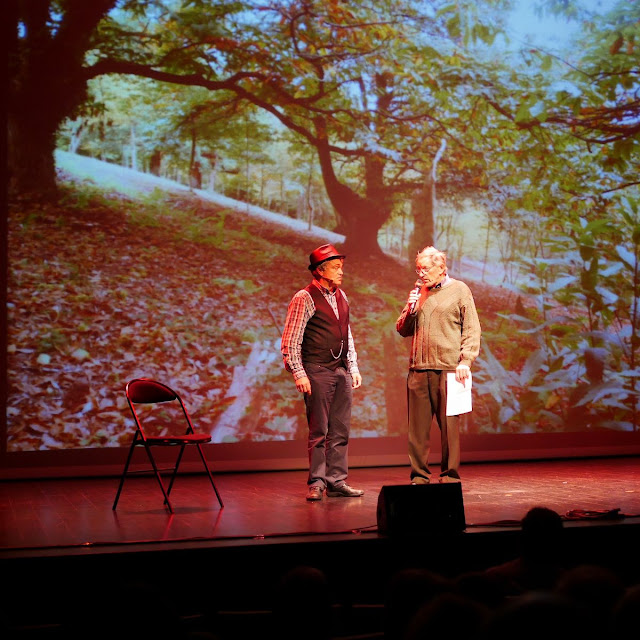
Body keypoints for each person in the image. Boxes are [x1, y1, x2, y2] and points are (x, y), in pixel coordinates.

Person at [281, 244, 364, 501]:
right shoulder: (304, 298)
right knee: (319, 431)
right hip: (316, 370)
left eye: (341, 267)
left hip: (340, 372)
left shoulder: (342, 296)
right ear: (320, 270)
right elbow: (291, 340)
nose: (341, 272)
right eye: (336, 267)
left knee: (340, 430)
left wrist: (353, 367)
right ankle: (317, 482)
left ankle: (336, 480)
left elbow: (346, 334)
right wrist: (299, 373)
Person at [396, 246, 480, 484]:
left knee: (449, 429)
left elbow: (472, 328)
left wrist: (466, 360)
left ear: (442, 267)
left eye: (426, 268)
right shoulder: (418, 292)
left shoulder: (460, 290)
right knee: (418, 431)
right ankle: (420, 476)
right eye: (418, 268)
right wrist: (411, 309)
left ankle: (450, 476)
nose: (421, 273)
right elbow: (402, 329)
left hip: (449, 369)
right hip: (419, 369)